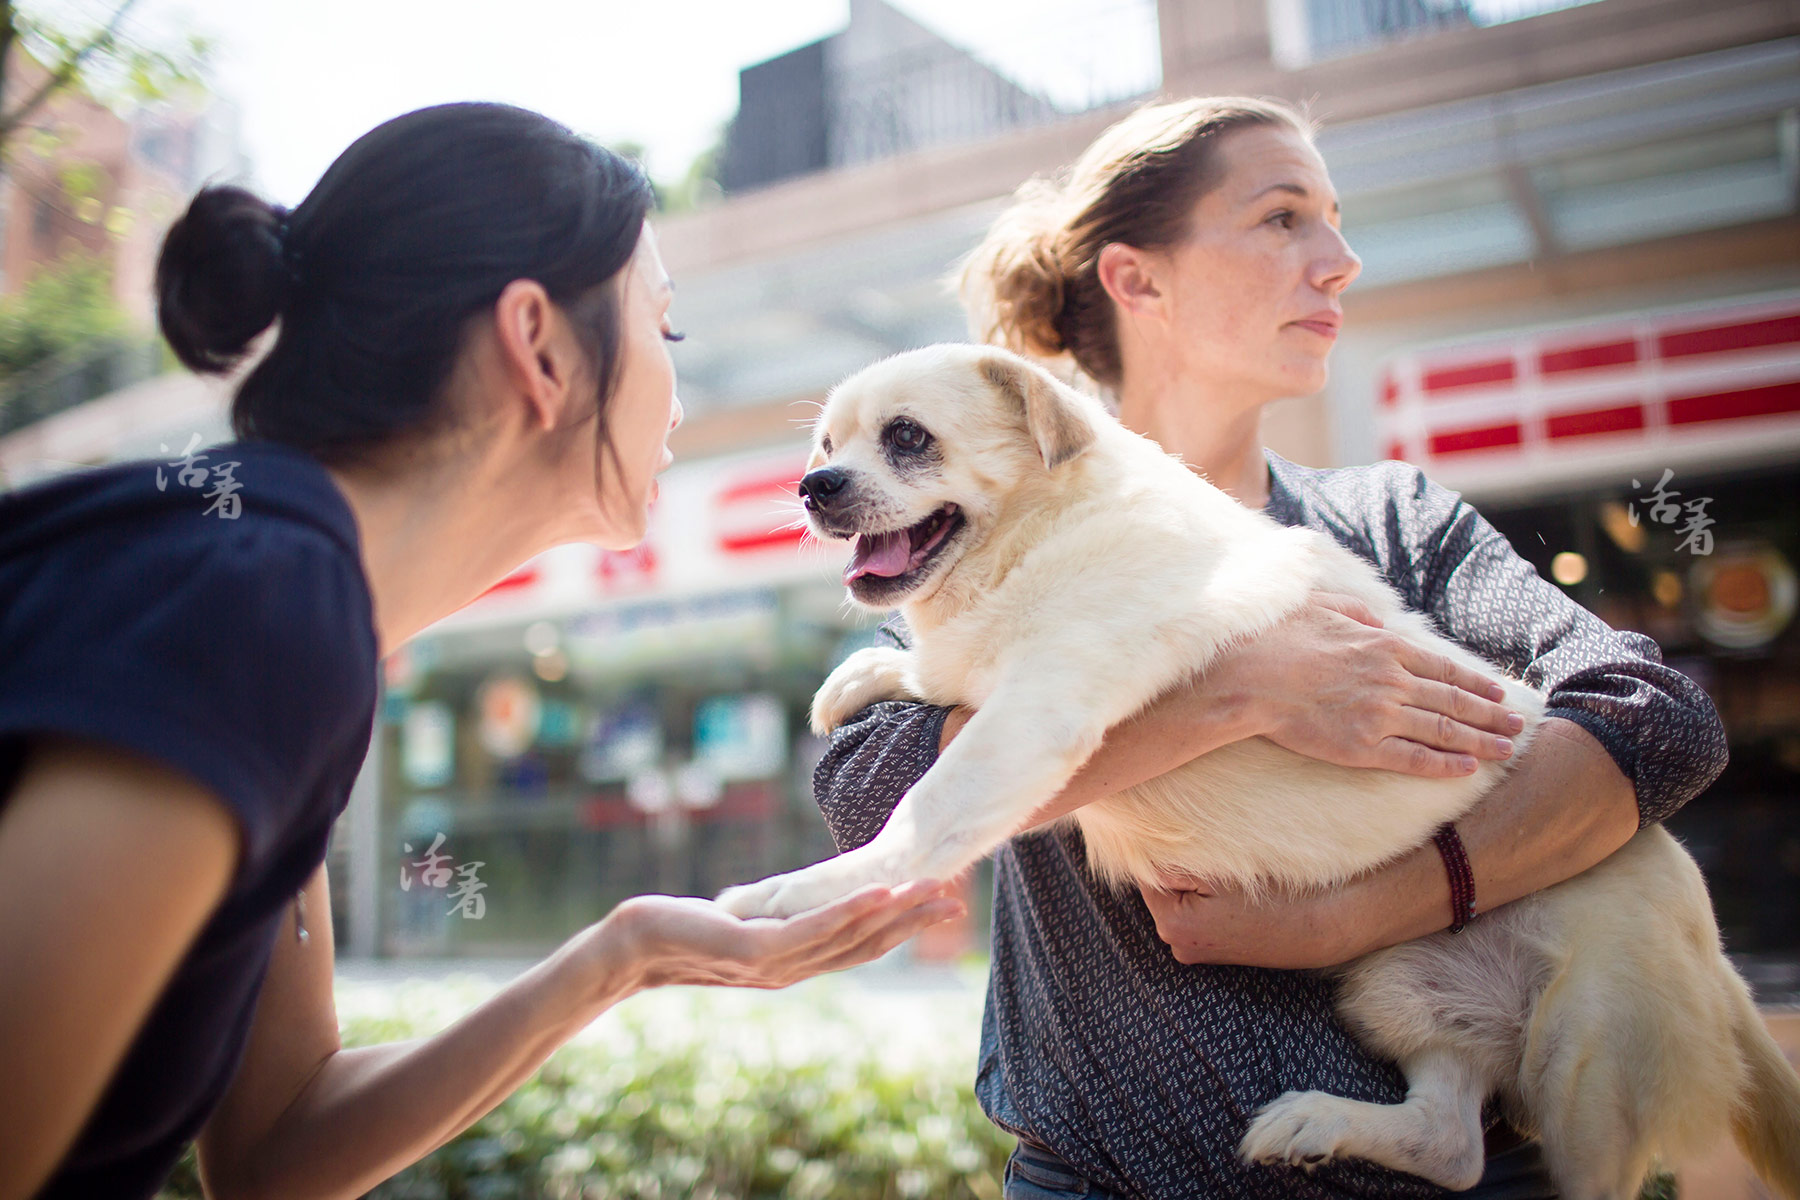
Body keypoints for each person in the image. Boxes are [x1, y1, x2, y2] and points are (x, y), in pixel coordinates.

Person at [0, 102, 963, 1200]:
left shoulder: (286, 599)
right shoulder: (261, 599)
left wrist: (627, 954)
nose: (680, 394)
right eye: (664, 328)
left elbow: (275, 1152)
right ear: (537, 344)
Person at [812, 96, 1729, 1198]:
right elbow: (874, 798)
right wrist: (1240, 691)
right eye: (1284, 218)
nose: (1339, 262)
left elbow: (1657, 723)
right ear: (1136, 280)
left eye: (1334, 220)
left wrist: (1359, 912)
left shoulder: (1393, 523)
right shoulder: (973, 527)